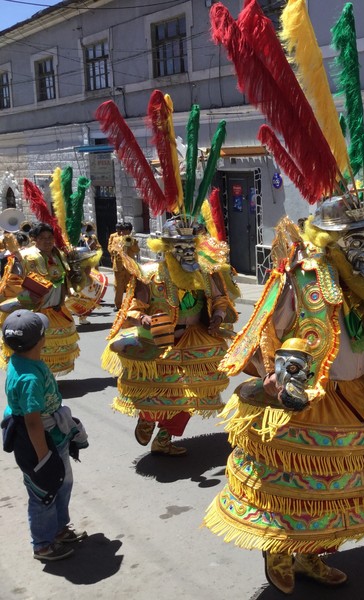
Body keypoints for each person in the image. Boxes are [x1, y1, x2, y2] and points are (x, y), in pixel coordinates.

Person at [205, 1, 364, 593]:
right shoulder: (303, 272)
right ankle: (281, 553)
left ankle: (315, 553)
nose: (363, 249)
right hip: (304, 393)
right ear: (327, 238)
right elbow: (268, 324)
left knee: (340, 488)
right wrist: (272, 373)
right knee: (290, 485)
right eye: (352, 240)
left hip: (357, 393)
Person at [97, 89, 239, 457]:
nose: (187, 254)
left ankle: (164, 437)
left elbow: (221, 300)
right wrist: (148, 320)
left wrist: (219, 315)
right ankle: (148, 418)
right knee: (164, 392)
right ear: (166, 249)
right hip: (164, 344)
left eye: (191, 248)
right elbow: (131, 311)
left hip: (196, 340)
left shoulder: (208, 270)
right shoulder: (152, 276)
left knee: (194, 393)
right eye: (180, 249)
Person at [1, 309, 88, 562]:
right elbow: (32, 422)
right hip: (41, 443)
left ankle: (59, 529)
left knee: (62, 484)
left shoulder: (22, 361)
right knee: (44, 493)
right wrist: (44, 458)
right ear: (41, 340)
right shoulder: (28, 378)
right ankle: (43, 545)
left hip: (54, 438)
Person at [3, 222, 80, 375]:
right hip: (34, 310)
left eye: (50, 237)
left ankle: (47, 378)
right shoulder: (25, 256)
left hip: (57, 309)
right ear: (34, 239)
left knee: (52, 347)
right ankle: (35, 376)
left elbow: (66, 280)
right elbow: (12, 282)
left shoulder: (59, 255)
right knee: (35, 347)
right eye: (43, 238)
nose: (48, 241)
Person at [108, 222, 139, 310]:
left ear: (129, 231)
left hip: (129, 266)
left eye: (125, 231)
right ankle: (118, 305)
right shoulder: (116, 239)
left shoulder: (133, 240)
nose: (122, 232)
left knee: (131, 285)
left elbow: (137, 250)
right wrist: (117, 249)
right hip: (118, 265)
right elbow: (111, 249)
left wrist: (131, 244)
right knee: (118, 286)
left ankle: (131, 303)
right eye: (122, 230)